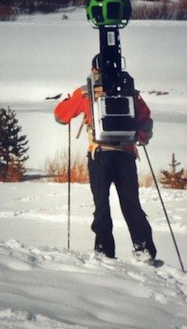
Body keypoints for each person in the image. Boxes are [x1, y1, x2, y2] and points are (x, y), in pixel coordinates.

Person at [54, 62, 157, 262]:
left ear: (94, 69)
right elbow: (145, 120)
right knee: (131, 204)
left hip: (99, 154)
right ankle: (144, 249)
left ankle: (104, 251)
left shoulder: (86, 92)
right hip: (126, 154)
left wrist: (68, 100)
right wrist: (142, 136)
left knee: (101, 204)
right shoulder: (130, 91)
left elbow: (60, 116)